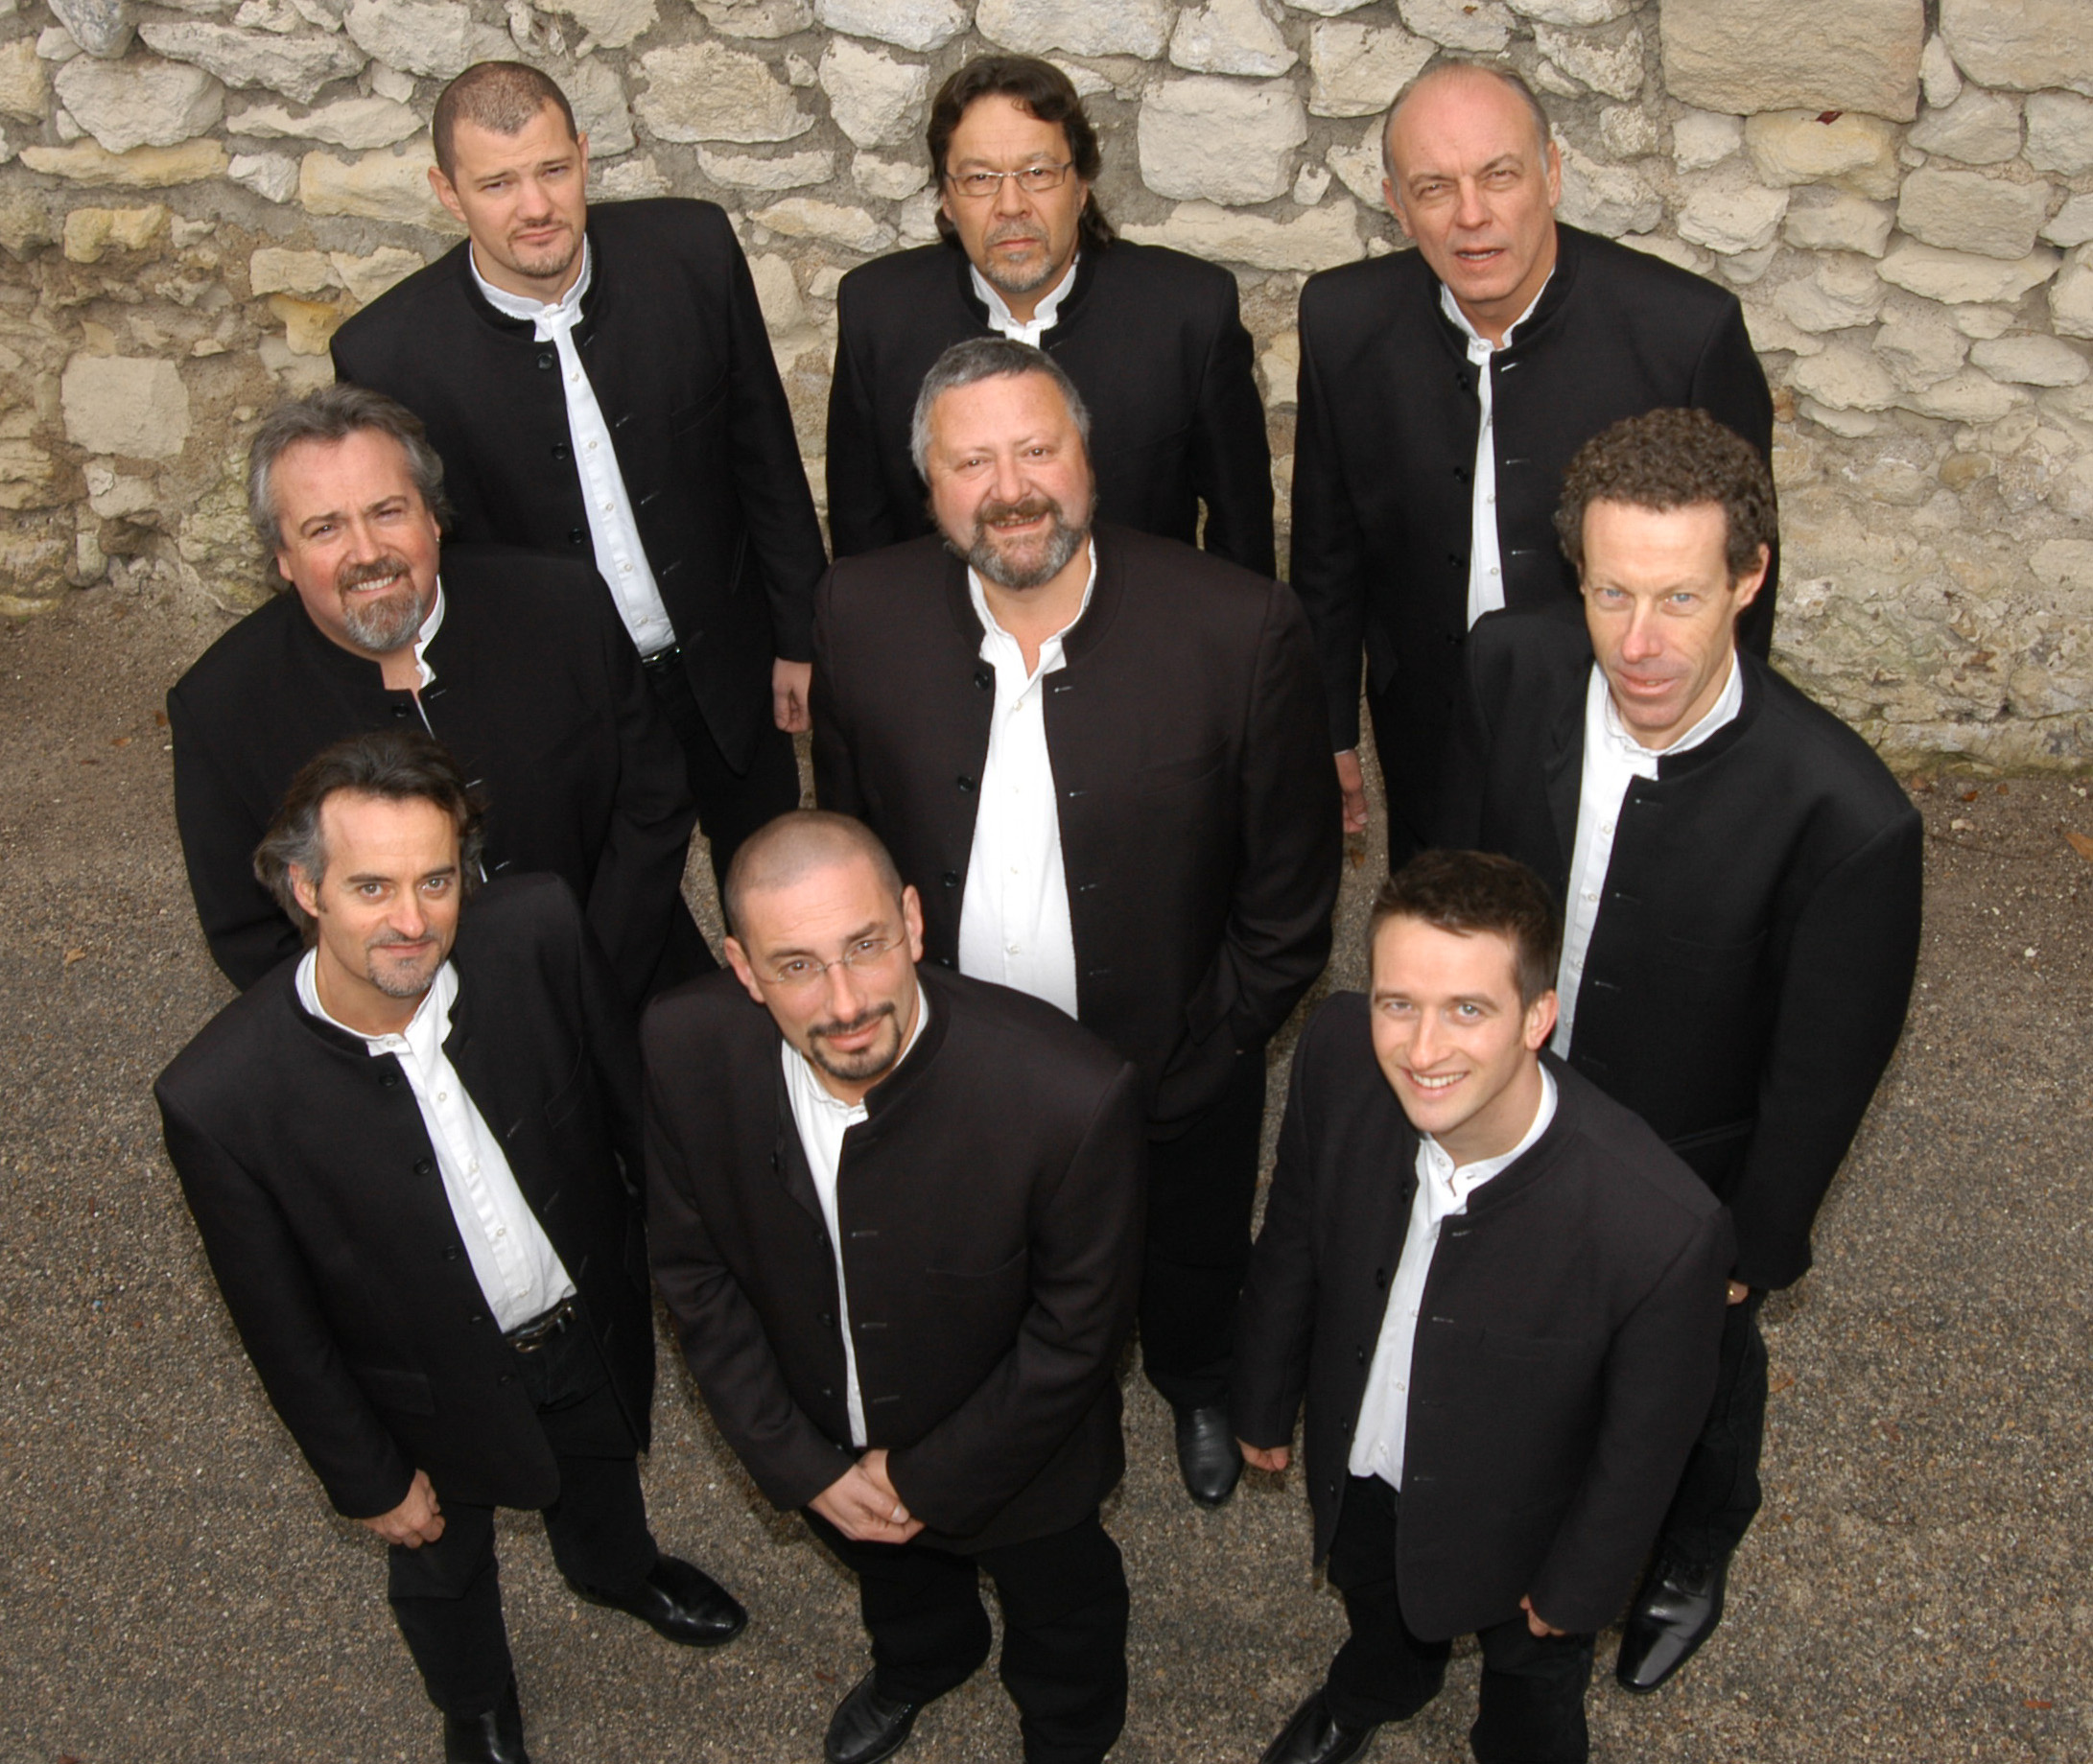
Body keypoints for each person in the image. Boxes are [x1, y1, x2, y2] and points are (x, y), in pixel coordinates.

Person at [1438, 407, 1923, 1692]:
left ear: (1747, 579)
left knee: (1695, 1383)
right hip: (1505, 1112)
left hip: (1685, 1174)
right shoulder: (1508, 666)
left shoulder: (1846, 815)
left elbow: (1820, 1073)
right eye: (1610, 594)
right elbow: (1456, 883)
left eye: (1678, 597)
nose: (1639, 642)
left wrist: (1747, 1249)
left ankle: (1693, 1545)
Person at [811, 337, 1339, 1509]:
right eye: (971, 463)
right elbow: (848, 846)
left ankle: (1195, 1378)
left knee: (1187, 1246)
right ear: (928, 486)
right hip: (948, 1063)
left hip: (1171, 1064)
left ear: (1088, 461)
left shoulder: (1239, 626)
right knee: (988, 1253)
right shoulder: (857, 612)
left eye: (1037, 451)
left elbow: (1289, 892)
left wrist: (1212, 1047)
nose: (1010, 490)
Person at [155, 732, 745, 1764]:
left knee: (600, 1464)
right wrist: (370, 1479)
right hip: (420, 1395)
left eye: (435, 880)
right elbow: (281, 1329)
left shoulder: (539, 930)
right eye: (371, 887)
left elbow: (632, 1120)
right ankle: (473, 1699)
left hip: (579, 1320)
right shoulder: (220, 1098)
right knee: (440, 1557)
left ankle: (615, 1570)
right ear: (305, 888)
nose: (413, 919)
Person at [645, 811, 1145, 1764]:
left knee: (1064, 1616)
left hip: (1025, 1466)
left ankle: (1070, 1730)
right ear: (742, 969)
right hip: (827, 1447)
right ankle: (925, 1661)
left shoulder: (1070, 1095)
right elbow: (694, 1275)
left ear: (913, 921)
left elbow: (1077, 1334)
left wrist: (924, 1477)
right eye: (795, 966)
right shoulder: (681, 1046)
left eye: (866, 945)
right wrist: (807, 1468)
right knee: (899, 1592)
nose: (844, 1002)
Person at [1234, 849, 1732, 1764]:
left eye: (1468, 1009)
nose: (1423, 1051)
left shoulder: (1661, 1228)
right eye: (1399, 1003)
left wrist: (1578, 1588)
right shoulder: (1337, 1055)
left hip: (1527, 1530)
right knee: (1375, 1600)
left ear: (1538, 1016)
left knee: (1532, 1697)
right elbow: (1294, 1233)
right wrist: (1264, 1396)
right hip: (1368, 1462)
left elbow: (1644, 1445)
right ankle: (1378, 1684)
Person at [331, 59, 828, 897]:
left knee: (776, 886)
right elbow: (430, 561)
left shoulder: (693, 251)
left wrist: (800, 639)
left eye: (553, 170)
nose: (535, 207)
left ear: (585, 156)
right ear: (447, 193)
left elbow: (764, 453)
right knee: (616, 913)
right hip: (560, 704)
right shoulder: (386, 355)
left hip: (728, 663)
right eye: (497, 184)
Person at [1288, 59, 1776, 865]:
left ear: (1552, 173)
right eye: (1435, 187)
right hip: (1424, 726)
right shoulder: (1342, 320)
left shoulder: (1686, 334)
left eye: (1500, 175)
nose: (1471, 215)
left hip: (1620, 715)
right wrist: (1330, 726)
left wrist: (1710, 759)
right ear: (1396, 205)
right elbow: (1327, 550)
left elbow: (1743, 574)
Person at [169, 384, 706, 1005]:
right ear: (282, 556)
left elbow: (653, 799)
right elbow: (252, 933)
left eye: (387, 512)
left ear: (433, 516)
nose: (367, 553)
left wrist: (588, 974)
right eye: (325, 528)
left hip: (628, 981)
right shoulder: (220, 709)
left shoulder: (563, 606)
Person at [825, 54, 1273, 575]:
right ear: (946, 198)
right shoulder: (877, 315)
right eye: (980, 178)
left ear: (1080, 187)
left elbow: (1242, 541)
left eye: (1037, 173)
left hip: (1143, 622)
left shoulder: (1188, 313)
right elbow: (863, 544)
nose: (1011, 204)